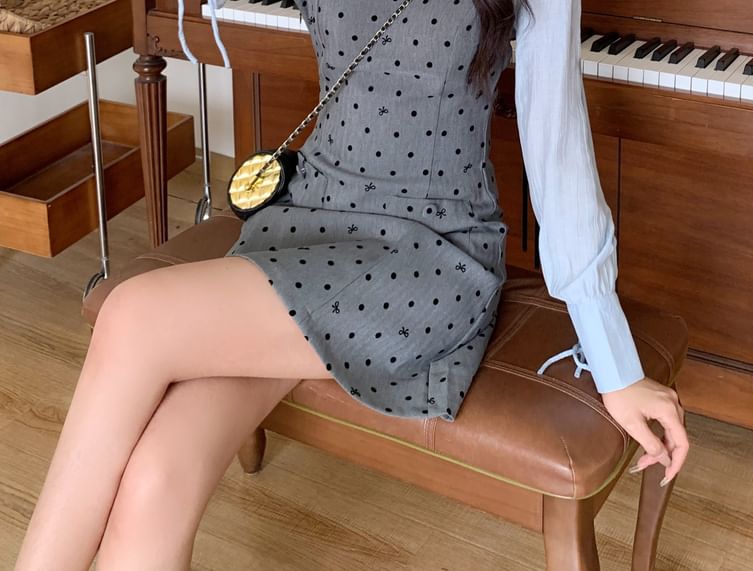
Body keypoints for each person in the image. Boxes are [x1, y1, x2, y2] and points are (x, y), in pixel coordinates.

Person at [14, 0, 688, 568]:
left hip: (427, 249)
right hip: (308, 215)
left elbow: (556, 138)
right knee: (155, 478)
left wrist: (614, 361)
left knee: (131, 316)